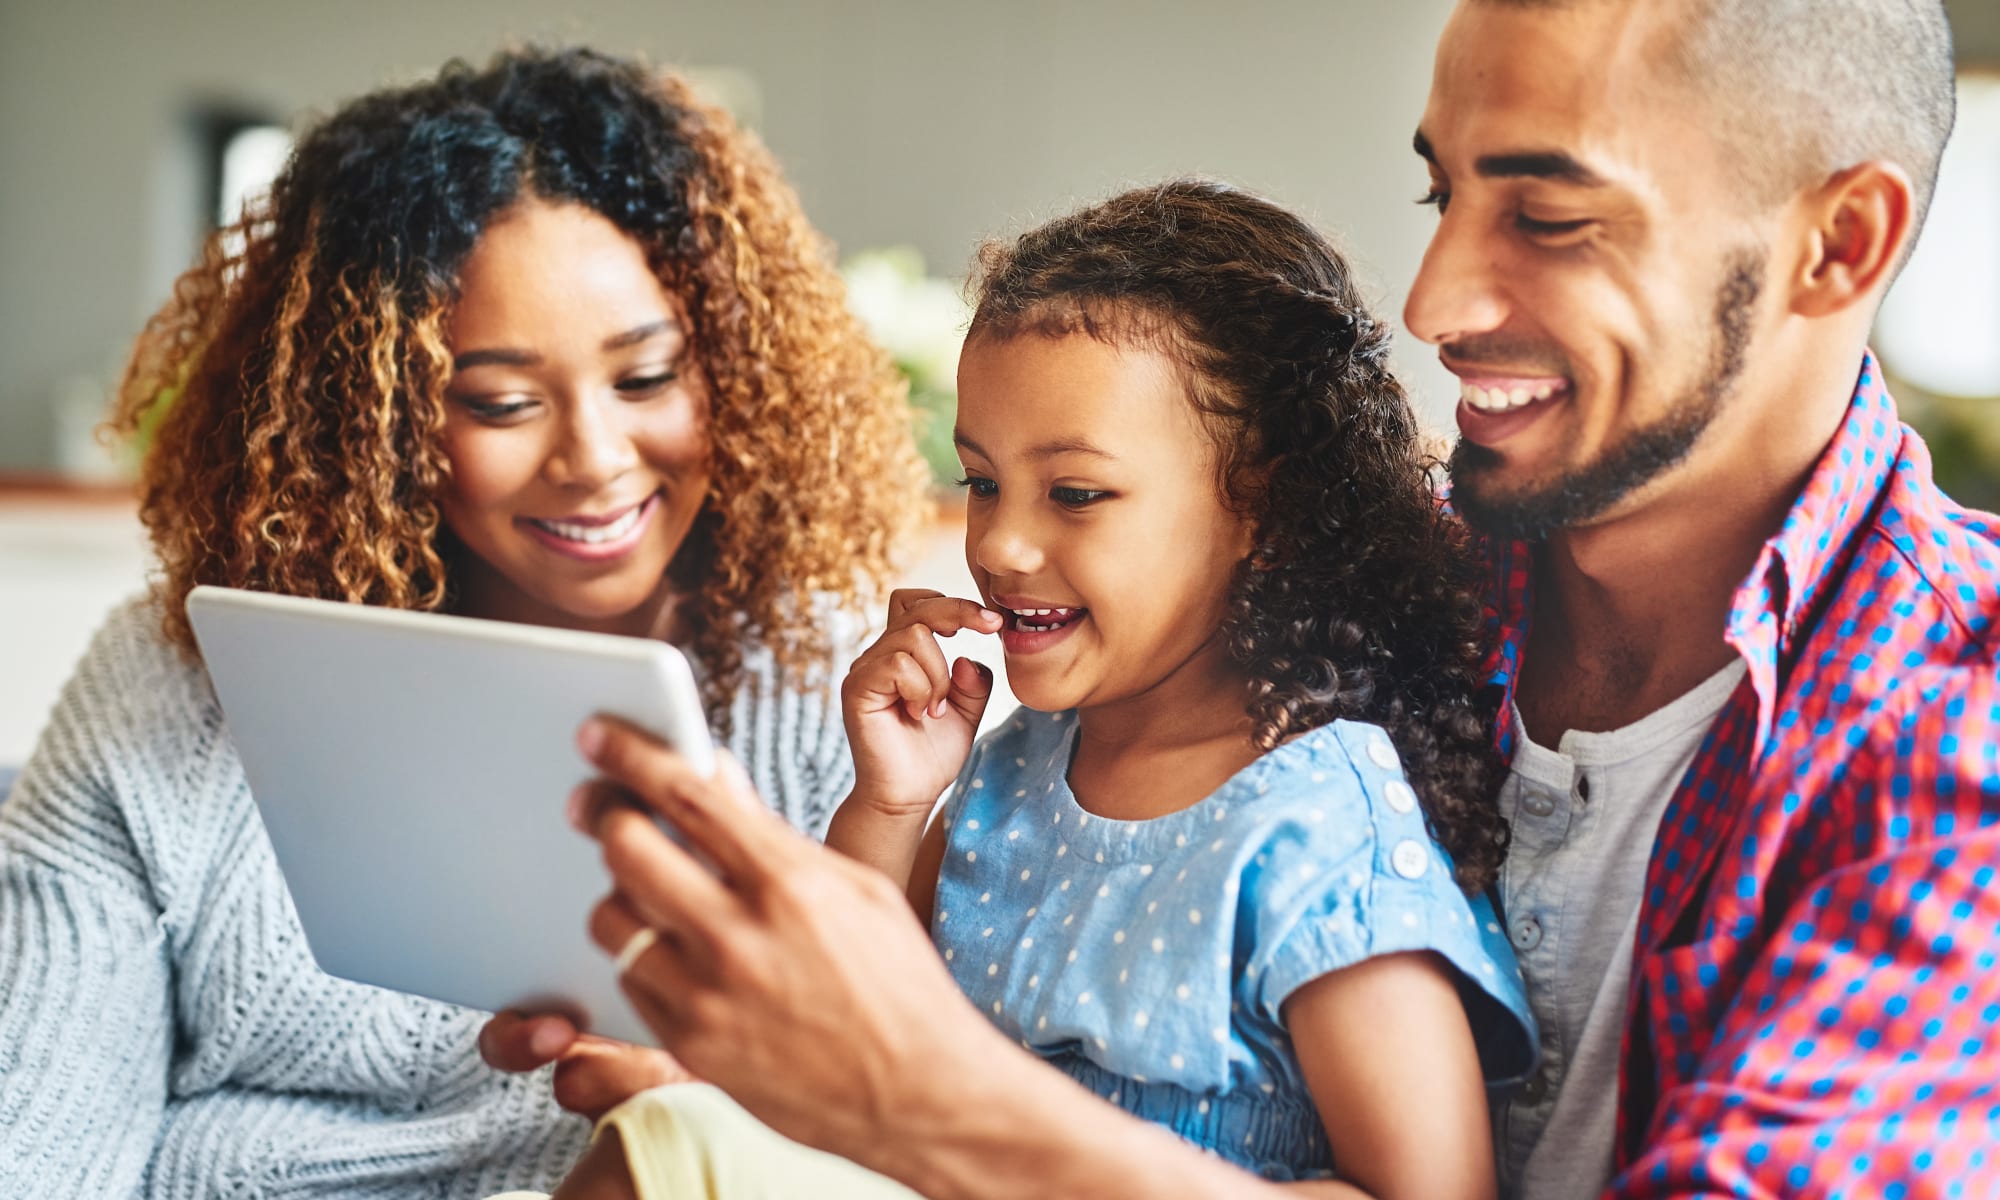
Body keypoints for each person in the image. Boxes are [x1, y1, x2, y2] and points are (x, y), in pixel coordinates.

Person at [496, 1, 2000, 1196]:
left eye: (1547, 217)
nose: (1433, 303)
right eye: (1445, 191)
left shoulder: (1956, 727)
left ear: (1838, 243)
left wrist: (915, 1107)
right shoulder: (1352, 578)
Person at [0, 47, 926, 1198]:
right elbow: (35, 1145)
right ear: (371, 416)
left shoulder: (848, 701)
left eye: (645, 380)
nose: (592, 461)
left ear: (736, 369)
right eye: (500, 402)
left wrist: (737, 1104)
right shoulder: (176, 686)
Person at [542, 181, 1535, 1199]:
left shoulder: (1319, 830)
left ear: (1263, 511)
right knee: (664, 1131)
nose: (1001, 544)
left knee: (664, 1152)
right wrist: (891, 801)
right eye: (980, 482)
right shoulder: (1014, 775)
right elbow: (842, 1011)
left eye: (1075, 494)